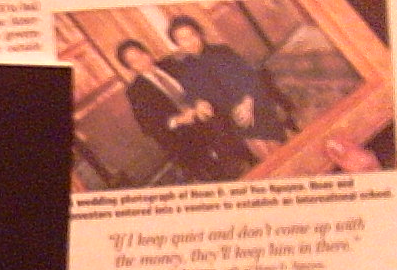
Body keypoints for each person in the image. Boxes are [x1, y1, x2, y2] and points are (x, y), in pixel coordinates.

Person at [117, 38, 252, 182]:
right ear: (131, 68)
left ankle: (250, 161)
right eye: (134, 62)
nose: (142, 61)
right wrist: (178, 120)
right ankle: (226, 175)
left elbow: (199, 83)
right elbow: (148, 126)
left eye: (141, 55)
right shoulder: (136, 91)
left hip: (203, 110)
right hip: (180, 131)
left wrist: (200, 101)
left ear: (147, 53)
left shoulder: (171, 64)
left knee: (223, 115)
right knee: (199, 142)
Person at [165, 14, 289, 161]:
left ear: (199, 34)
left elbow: (250, 77)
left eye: (192, 35)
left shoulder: (222, 52)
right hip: (232, 117)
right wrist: (199, 103)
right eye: (183, 39)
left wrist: (247, 103)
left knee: (276, 150)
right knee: (262, 152)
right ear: (178, 44)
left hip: (254, 102)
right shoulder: (185, 70)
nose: (190, 41)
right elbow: (191, 94)